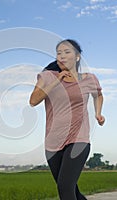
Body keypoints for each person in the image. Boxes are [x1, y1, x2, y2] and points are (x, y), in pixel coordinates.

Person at [29, 39, 105, 200]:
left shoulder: (89, 79)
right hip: (53, 142)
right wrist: (57, 81)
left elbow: (98, 95)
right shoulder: (48, 77)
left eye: (67, 52)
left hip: (79, 139)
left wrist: (98, 113)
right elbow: (33, 101)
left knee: (65, 188)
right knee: (71, 190)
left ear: (77, 57)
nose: (62, 56)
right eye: (59, 53)